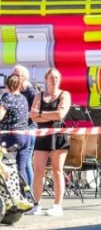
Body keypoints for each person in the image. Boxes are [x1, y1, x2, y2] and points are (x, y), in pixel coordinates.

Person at [28, 68, 71, 216]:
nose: (55, 80)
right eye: (52, 78)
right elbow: (32, 116)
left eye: (57, 78)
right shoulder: (39, 95)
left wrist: (41, 114)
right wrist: (45, 115)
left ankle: (57, 205)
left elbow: (60, 114)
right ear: (46, 79)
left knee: (57, 169)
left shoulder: (65, 94)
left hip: (58, 135)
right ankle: (36, 204)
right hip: (42, 135)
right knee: (38, 170)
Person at [0, 73, 32, 197]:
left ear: (7, 84)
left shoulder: (7, 97)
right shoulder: (23, 98)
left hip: (10, 137)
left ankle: (9, 195)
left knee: (4, 165)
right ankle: (26, 197)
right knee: (21, 168)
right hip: (24, 136)